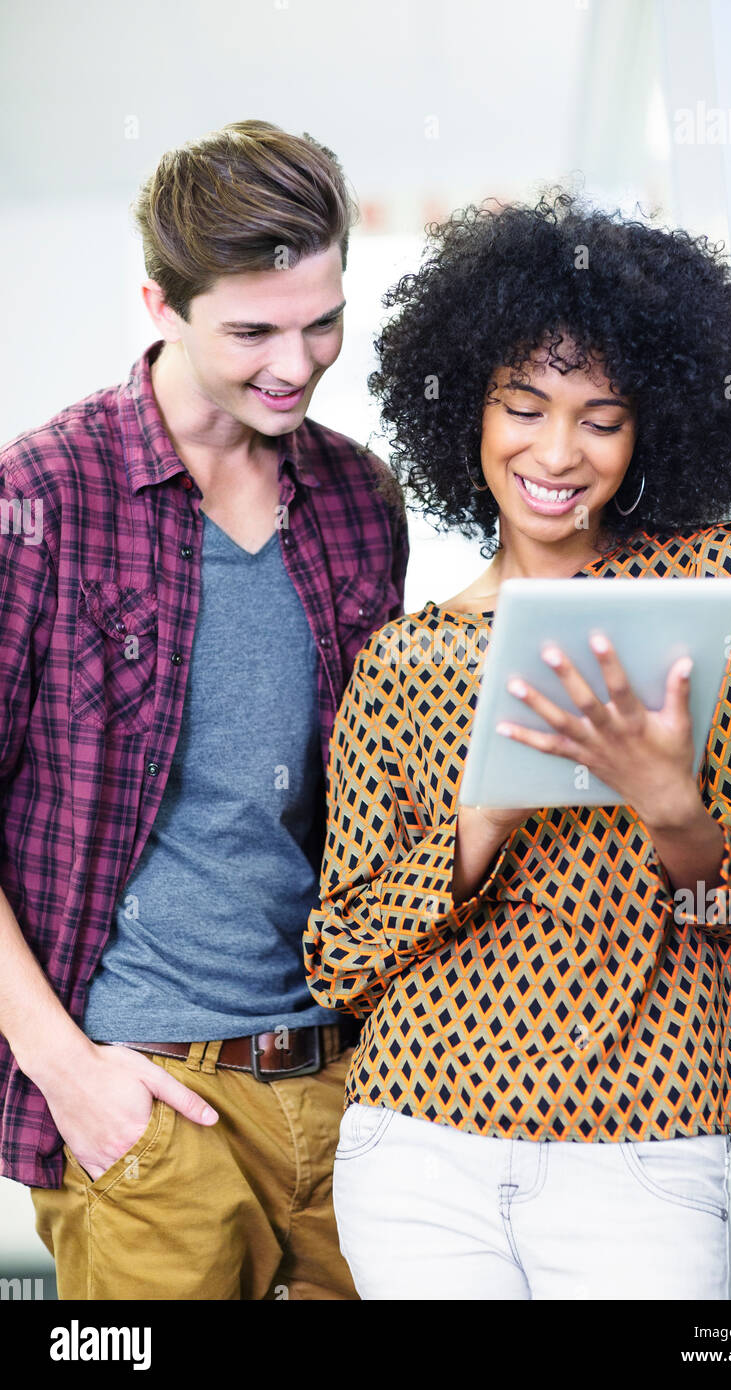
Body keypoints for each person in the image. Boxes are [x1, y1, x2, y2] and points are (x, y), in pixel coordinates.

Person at [303, 191, 731, 1300]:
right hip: (418, 1143)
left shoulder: (721, 585)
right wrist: (477, 824)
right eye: (521, 406)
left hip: (641, 1149)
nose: (556, 452)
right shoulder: (403, 656)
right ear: (468, 416)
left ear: (650, 425)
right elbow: (337, 957)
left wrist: (668, 808)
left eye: (600, 417)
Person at [0, 119, 408, 1300]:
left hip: (347, 1088)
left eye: (321, 318)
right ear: (159, 305)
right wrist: (70, 1074)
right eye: (252, 331)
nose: (297, 361)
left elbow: (370, 798)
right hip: (151, 1102)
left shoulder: (355, 496)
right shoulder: (42, 496)